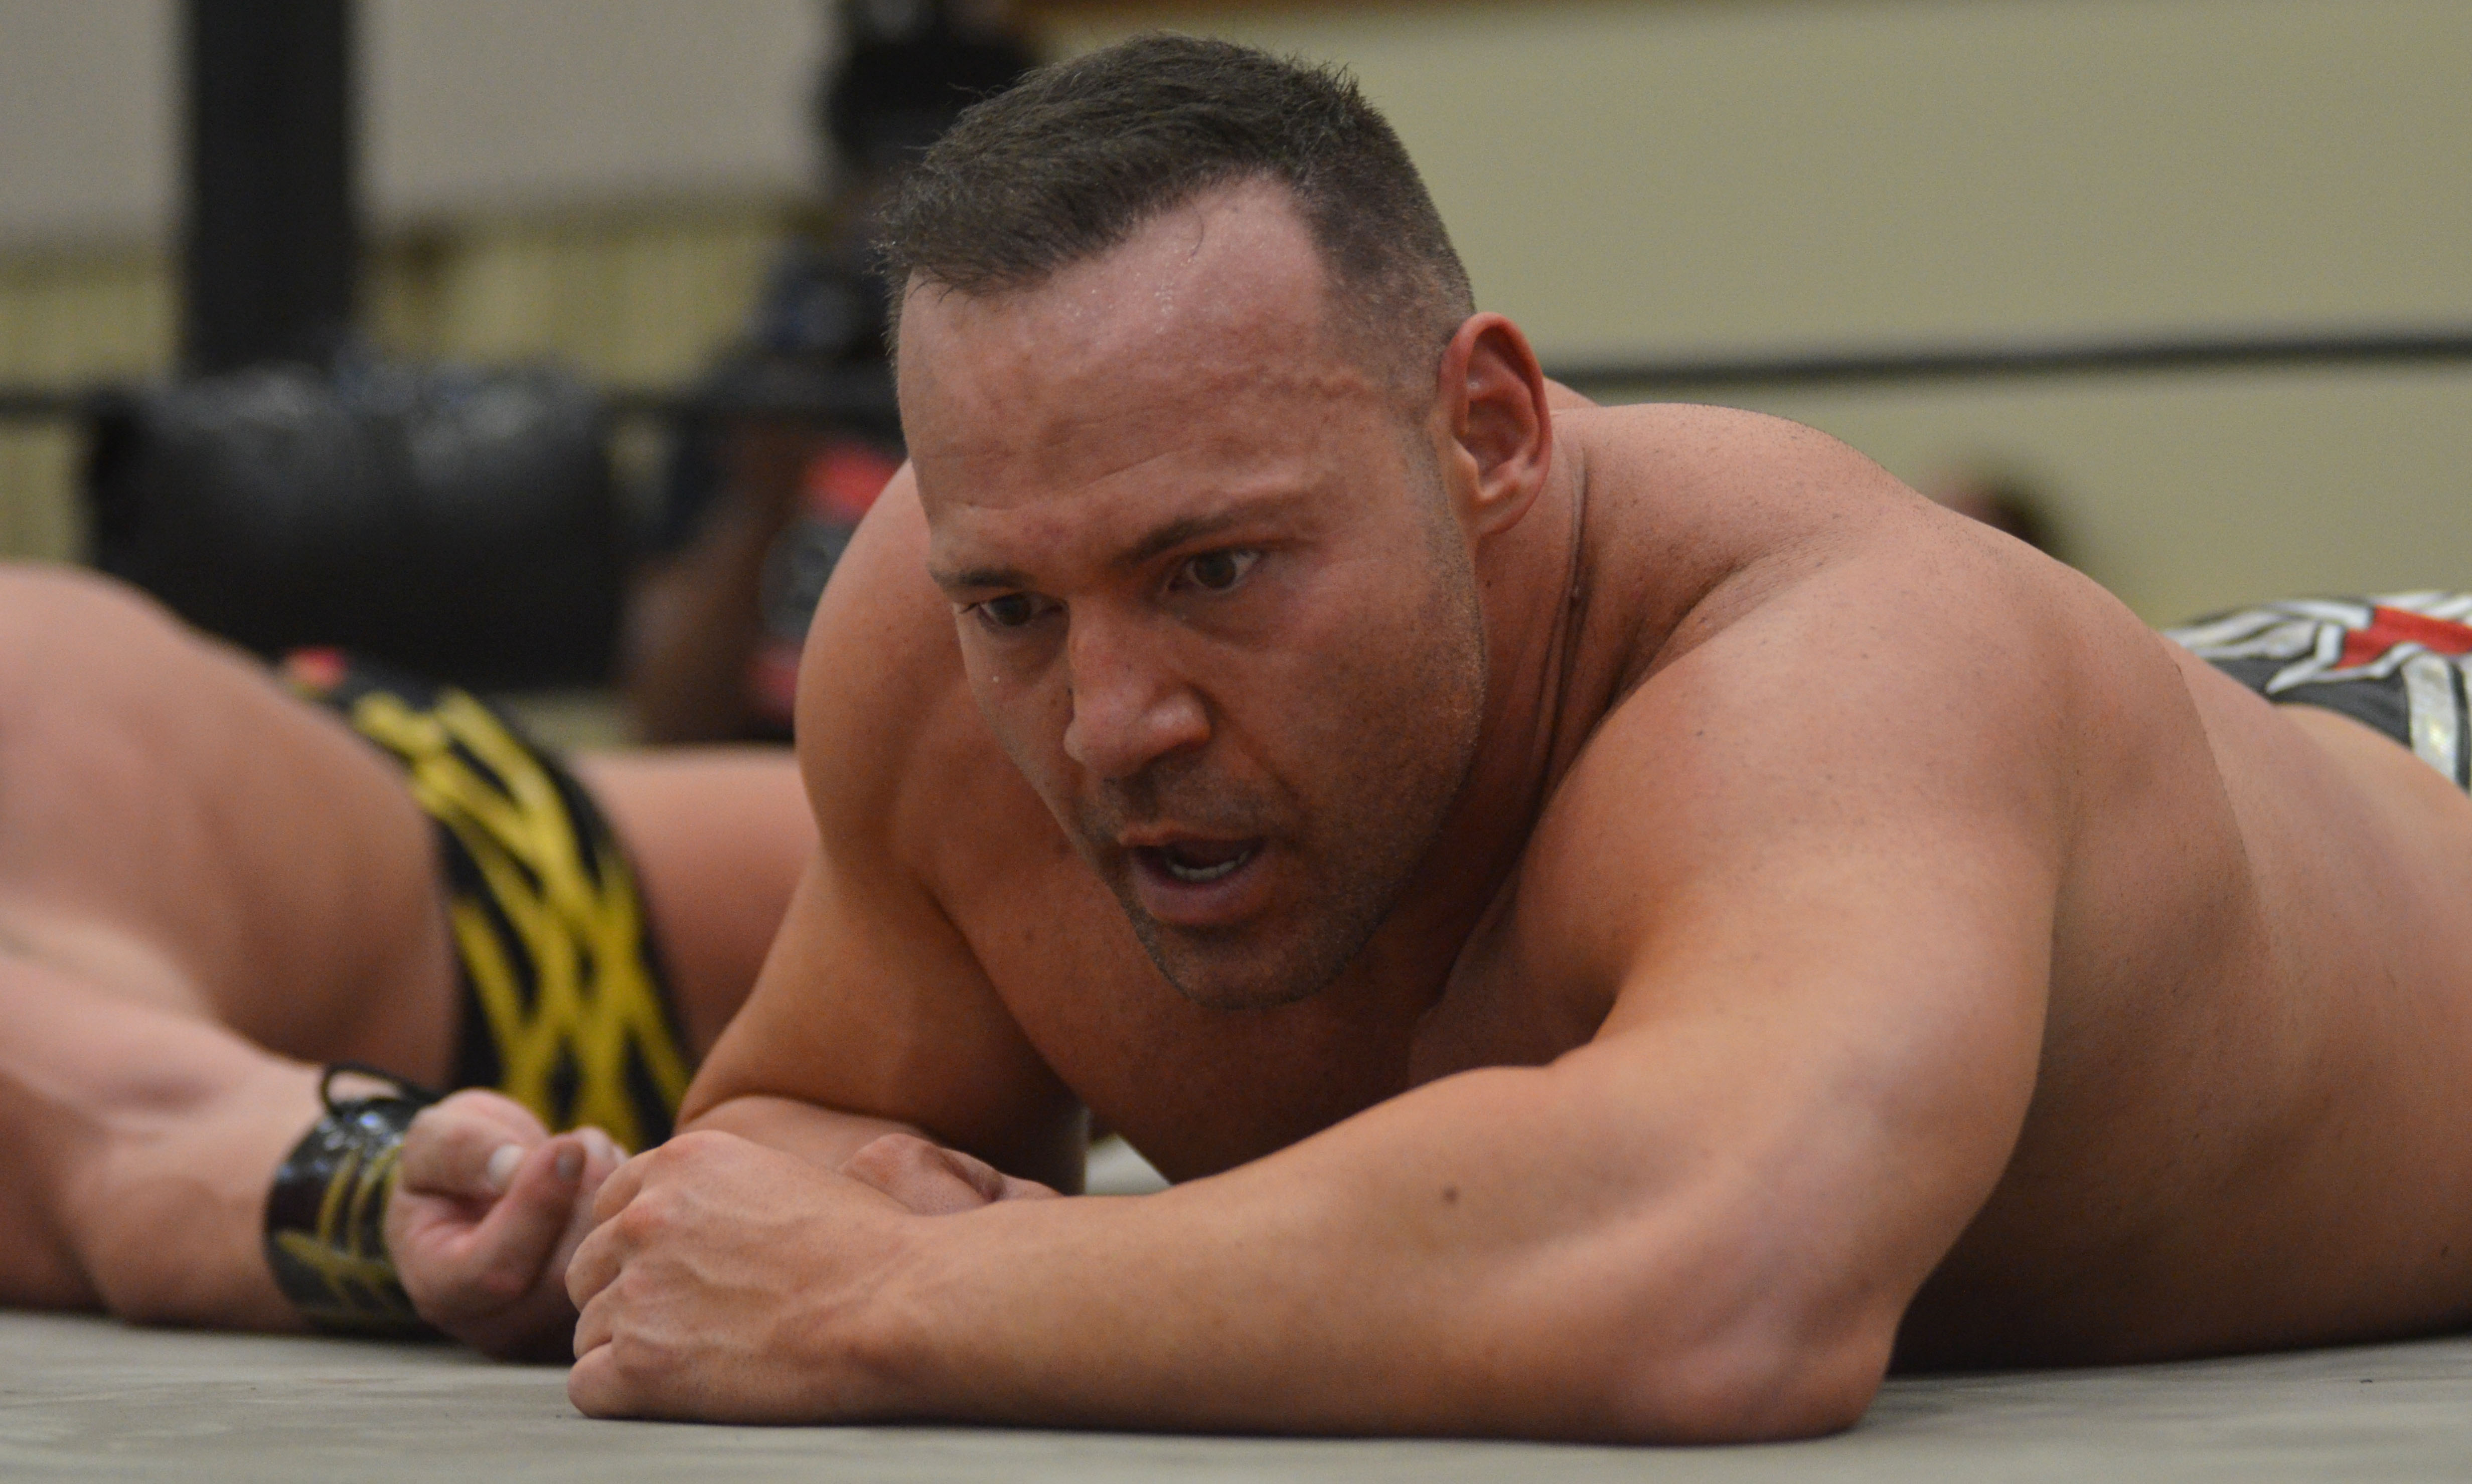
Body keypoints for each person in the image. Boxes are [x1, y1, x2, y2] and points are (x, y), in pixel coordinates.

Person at [498, 36, 2472, 1439]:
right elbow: (803, 1133)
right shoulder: (936, 637)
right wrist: (631, 1231)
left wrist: (883, 1293)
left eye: (1213, 569)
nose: (1109, 722)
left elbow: (1727, 1271)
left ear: (1489, 436)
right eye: (1015, 602)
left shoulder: (1825, 661)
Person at [0, 563, 811, 1355]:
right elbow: (136, 1129)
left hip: (463, 856)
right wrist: (395, 1190)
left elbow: (137, 1137)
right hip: (409, 888)